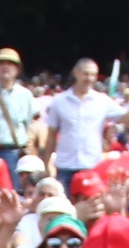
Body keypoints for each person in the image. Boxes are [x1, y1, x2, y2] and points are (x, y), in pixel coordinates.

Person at [42, 59, 121, 192]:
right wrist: (46, 165)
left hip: (92, 166)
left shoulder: (102, 100)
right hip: (65, 167)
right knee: (64, 204)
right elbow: (51, 136)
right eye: (86, 74)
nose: (89, 78)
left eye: (93, 75)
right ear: (76, 73)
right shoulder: (59, 101)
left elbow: (125, 117)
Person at [0, 48, 37, 174]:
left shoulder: (26, 95)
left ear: (17, 68)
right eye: (1, 63)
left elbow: (28, 125)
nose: (5, 66)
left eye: (10, 63)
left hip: (14, 153)